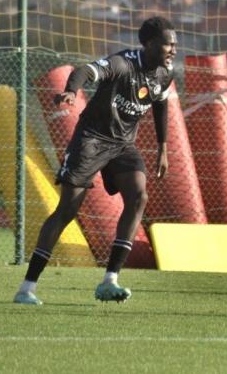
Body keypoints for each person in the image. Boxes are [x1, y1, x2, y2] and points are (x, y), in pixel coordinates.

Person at [13, 16, 177, 305]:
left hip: (123, 146)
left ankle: (109, 280)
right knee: (66, 212)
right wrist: (71, 91)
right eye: (168, 44)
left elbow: (161, 103)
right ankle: (27, 287)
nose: (173, 49)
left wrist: (163, 148)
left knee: (139, 196)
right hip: (90, 140)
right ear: (150, 44)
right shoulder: (123, 63)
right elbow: (84, 71)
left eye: (175, 44)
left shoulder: (165, 73)